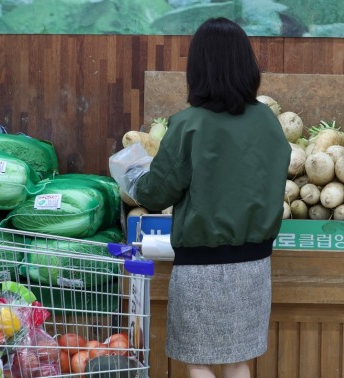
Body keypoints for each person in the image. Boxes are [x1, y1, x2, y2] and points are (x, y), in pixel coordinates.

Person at [121, 17, 291, 378]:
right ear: (247, 66)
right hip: (255, 265)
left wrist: (133, 175)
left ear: (198, 69)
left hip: (201, 268)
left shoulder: (188, 124)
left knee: (197, 360)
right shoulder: (267, 121)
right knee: (238, 359)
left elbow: (158, 192)